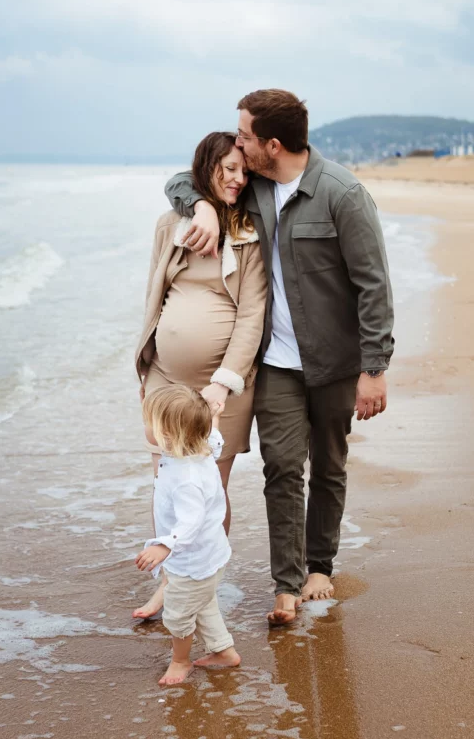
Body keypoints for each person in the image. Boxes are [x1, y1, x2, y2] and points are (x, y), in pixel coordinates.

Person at [165, 90, 394, 625]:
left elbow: (373, 286)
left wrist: (374, 369)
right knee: (282, 469)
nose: (238, 143)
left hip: (336, 363)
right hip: (275, 364)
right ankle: (286, 585)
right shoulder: (256, 187)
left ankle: (320, 567)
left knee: (329, 467)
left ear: (272, 144)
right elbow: (182, 181)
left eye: (245, 136)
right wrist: (202, 206)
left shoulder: (343, 194)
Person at [133, 131, 267, 619]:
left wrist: (224, 380)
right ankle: (170, 585)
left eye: (244, 171)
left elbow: (252, 314)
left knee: (210, 489)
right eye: (228, 169)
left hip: (221, 386)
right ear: (206, 167)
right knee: (166, 488)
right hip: (164, 379)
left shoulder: (249, 232)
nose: (238, 179)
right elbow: (155, 293)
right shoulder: (171, 224)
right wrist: (148, 362)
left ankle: (203, 586)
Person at [135, 384, 241, 686]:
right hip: (209, 556)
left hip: (192, 561)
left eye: (149, 423)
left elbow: (191, 522)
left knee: (179, 616)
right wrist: (213, 417)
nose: (145, 428)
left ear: (167, 435)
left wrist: (164, 546)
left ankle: (180, 661)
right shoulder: (201, 448)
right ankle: (224, 651)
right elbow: (215, 437)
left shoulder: (186, 479)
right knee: (204, 605)